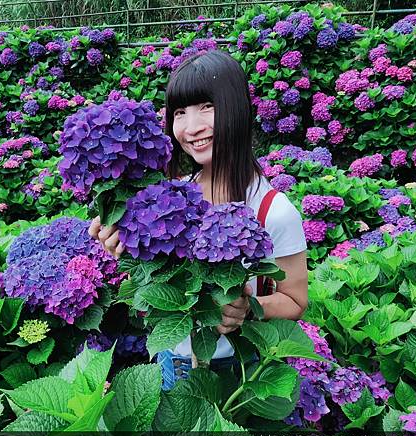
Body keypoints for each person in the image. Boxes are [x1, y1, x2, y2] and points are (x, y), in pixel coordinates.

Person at [89, 50, 308, 390]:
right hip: (168, 360)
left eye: (207, 106)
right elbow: (159, 278)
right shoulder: (171, 196)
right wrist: (123, 246)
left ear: (237, 108)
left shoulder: (273, 210)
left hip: (234, 373)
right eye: (180, 112)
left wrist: (247, 308)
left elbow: (294, 302)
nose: (192, 127)